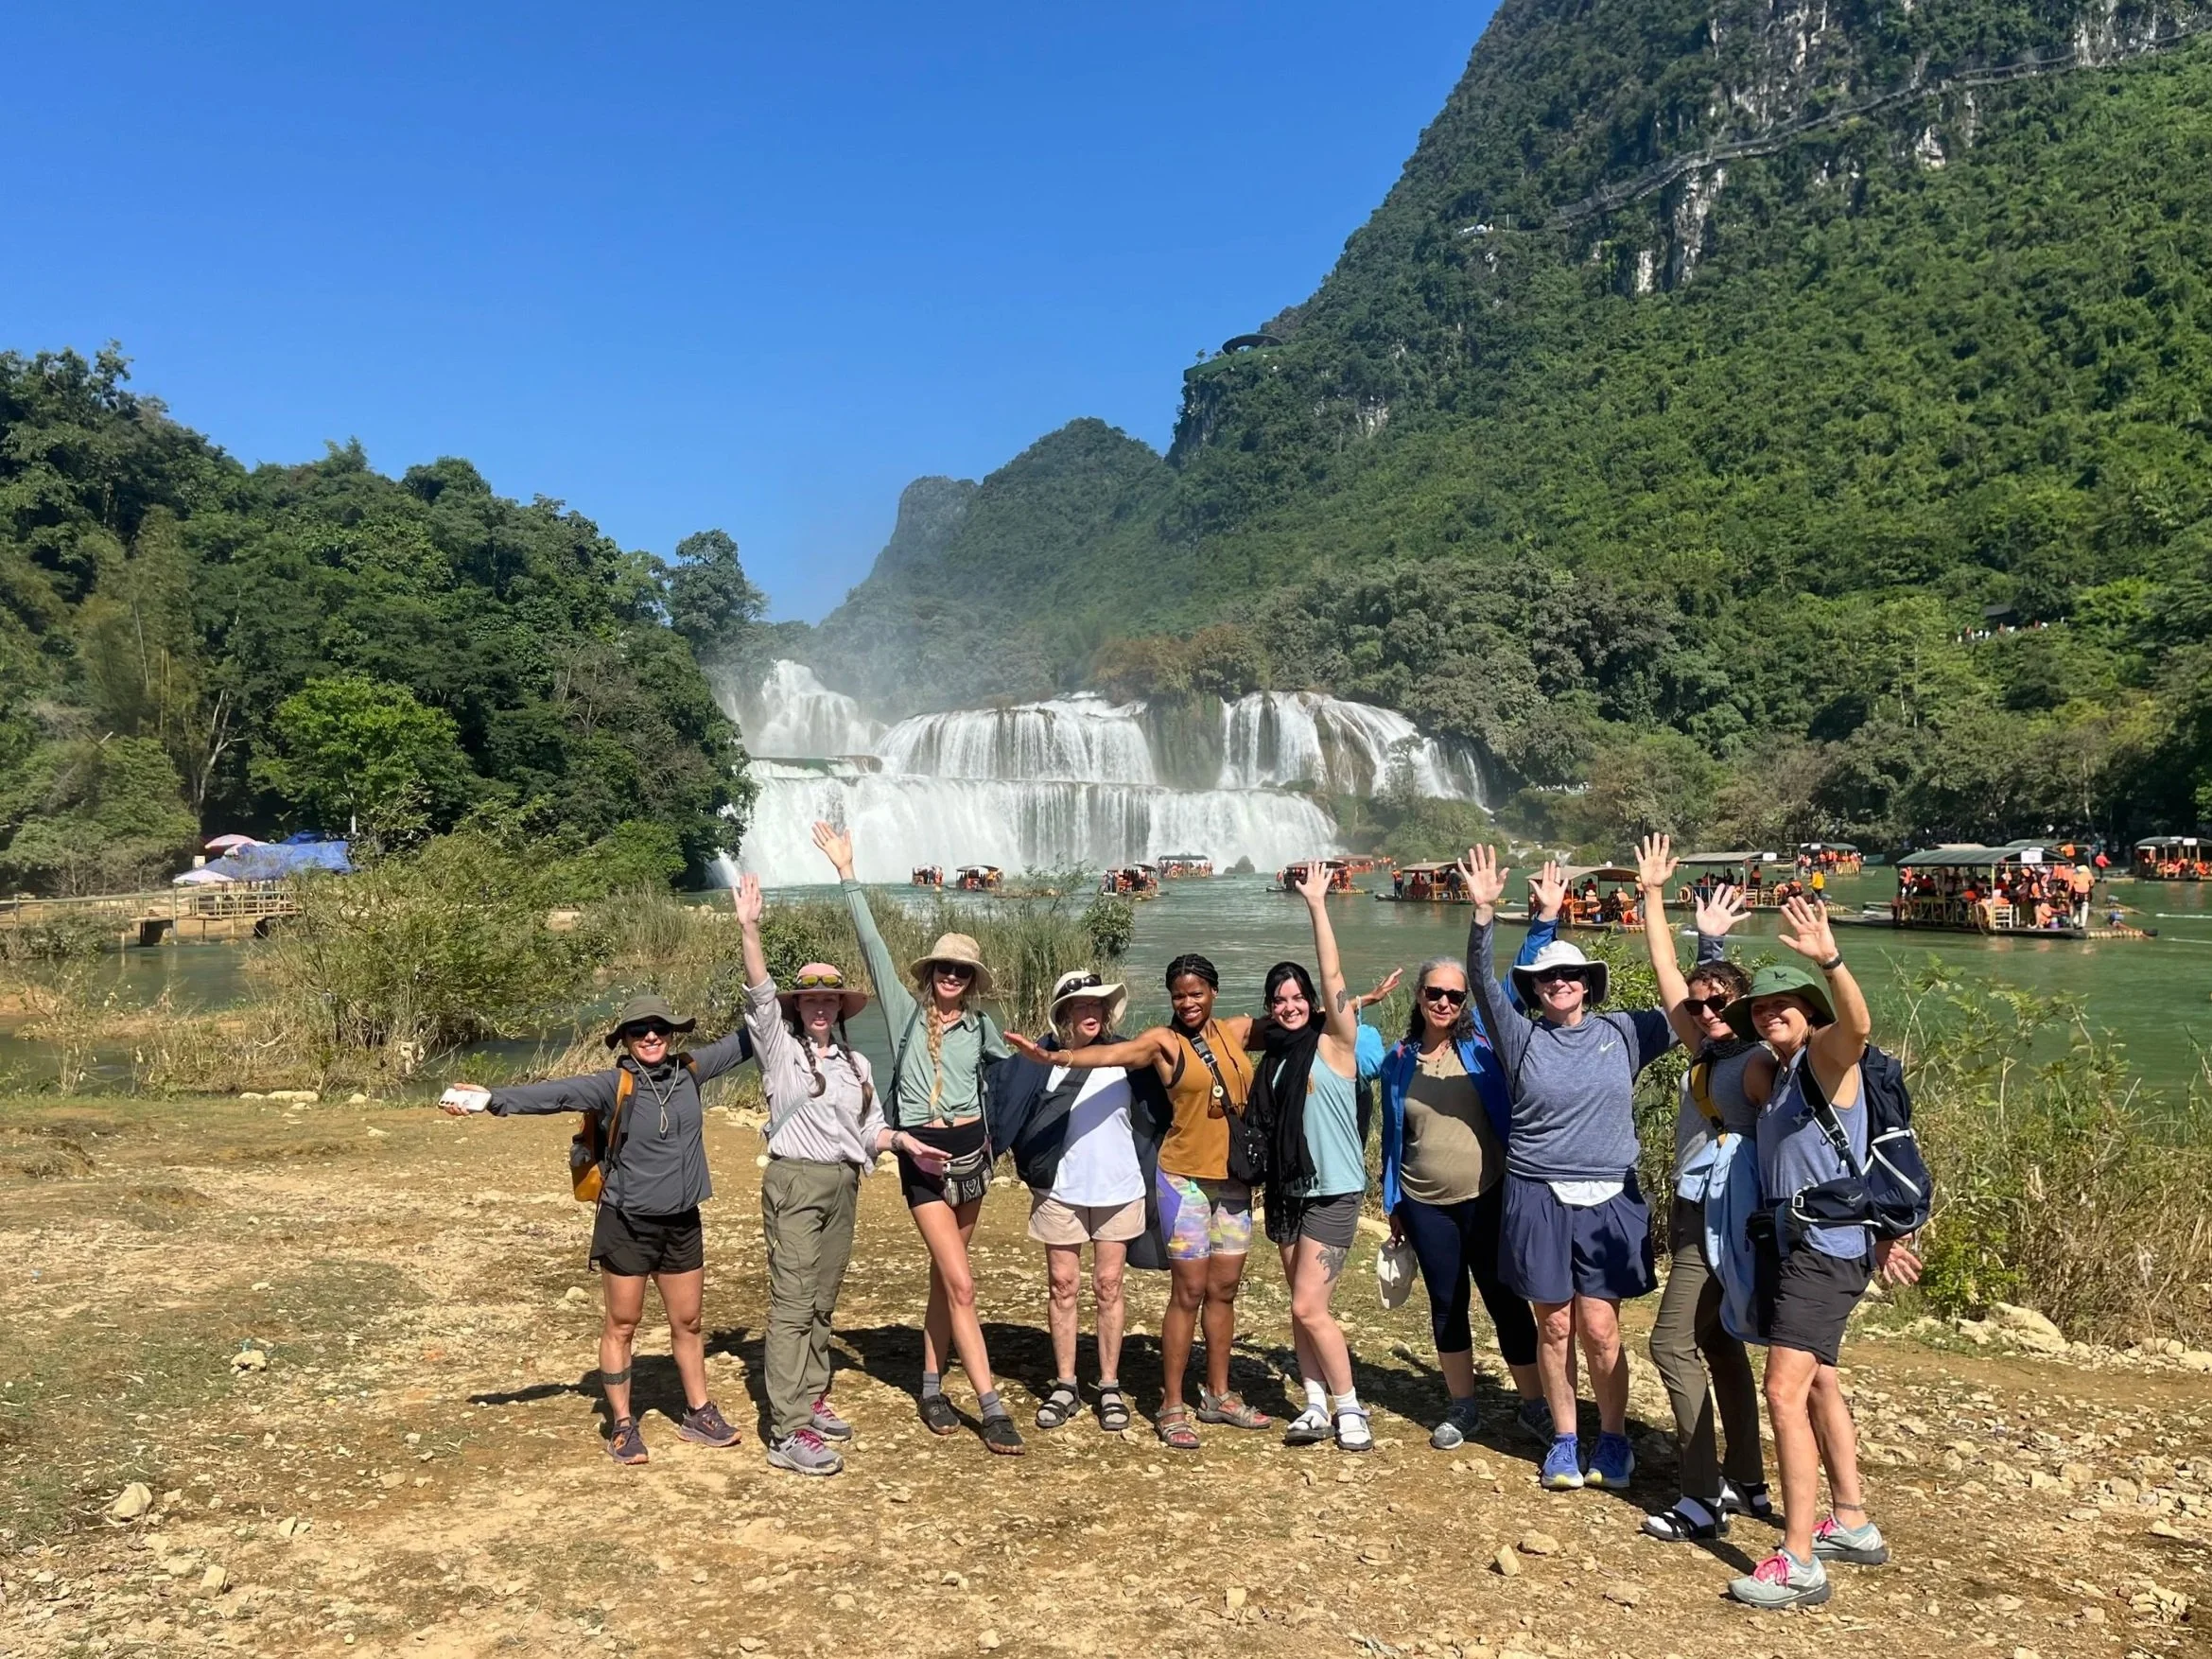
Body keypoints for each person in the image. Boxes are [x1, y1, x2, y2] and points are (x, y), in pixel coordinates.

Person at [1457, 839, 1690, 1493]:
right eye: (1547, 978)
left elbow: (1689, 1009)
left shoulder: (1624, 1033)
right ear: (1535, 990)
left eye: (1571, 975)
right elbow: (1480, 984)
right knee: (1554, 1323)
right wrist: (1483, 914)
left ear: (1588, 984)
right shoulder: (1520, 1037)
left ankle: (1612, 1438)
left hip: (1610, 1194)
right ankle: (1564, 1439)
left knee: (1600, 1326)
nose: (1560, 983)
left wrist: (1701, 936)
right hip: (1537, 1191)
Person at [441, 992, 750, 1465]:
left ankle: (699, 1412)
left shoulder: (691, 1070)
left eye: (660, 1028)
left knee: (688, 1323)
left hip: (683, 1221)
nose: (651, 1036)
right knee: (622, 1324)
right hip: (627, 1222)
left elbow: (752, 1038)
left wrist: (794, 1006)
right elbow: (556, 1094)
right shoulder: (613, 1085)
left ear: (673, 1033)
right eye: (639, 1030)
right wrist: (490, 1100)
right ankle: (623, 1424)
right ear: (625, 1039)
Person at [1726, 899, 1924, 1610]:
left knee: (1782, 1392)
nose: (1768, 1015)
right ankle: (1851, 1522)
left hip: (1822, 1252)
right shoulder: (1781, 1072)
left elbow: (1859, 1026)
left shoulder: (1825, 1058)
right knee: (1818, 1385)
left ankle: (1799, 1560)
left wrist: (1830, 960)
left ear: (1810, 1012)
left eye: (1782, 1005)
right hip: (1807, 1244)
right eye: (1758, 1009)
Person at [812, 821, 1023, 1455]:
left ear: (971, 978)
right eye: (944, 968)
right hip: (924, 1160)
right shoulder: (905, 1015)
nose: (951, 976)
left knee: (944, 1279)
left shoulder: (982, 1028)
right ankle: (989, 1405)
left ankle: (930, 1386)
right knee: (963, 1283)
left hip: (973, 1157)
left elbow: (1017, 1079)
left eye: (961, 970)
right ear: (931, 973)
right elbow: (873, 945)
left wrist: (1072, 1056)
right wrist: (847, 874)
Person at [1010, 952, 1272, 1449]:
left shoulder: (1234, 1032)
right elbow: (1110, 1057)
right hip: (1175, 1182)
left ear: (1214, 992)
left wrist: (1354, 1005)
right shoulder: (1159, 1042)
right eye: (1179, 995)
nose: (1188, 1002)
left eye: (1196, 993)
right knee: (1181, 1292)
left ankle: (1214, 1393)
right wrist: (1056, 1059)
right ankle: (1163, 1403)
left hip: (1227, 1182)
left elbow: (1291, 1023)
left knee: (1218, 1290)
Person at [734, 874, 936, 1476]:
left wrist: (902, 1142)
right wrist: (749, 928)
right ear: (798, 1008)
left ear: (840, 1009)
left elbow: (869, 1131)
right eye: (811, 1001)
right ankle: (787, 1430)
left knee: (823, 1300)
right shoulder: (780, 1050)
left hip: (844, 1183)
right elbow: (760, 993)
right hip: (796, 1182)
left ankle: (812, 1394)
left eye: (830, 1001)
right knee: (793, 1303)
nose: (820, 1008)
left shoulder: (857, 1063)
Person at [1642, 883, 1773, 1540]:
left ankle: (1700, 1497)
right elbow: (1668, 971)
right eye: (1697, 1006)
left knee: (1669, 1344)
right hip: (1699, 1210)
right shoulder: (1705, 1048)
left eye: (1717, 1003)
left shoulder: (1754, 1063)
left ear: (1741, 1006)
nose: (1703, 1011)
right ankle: (1746, 1479)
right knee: (1719, 1341)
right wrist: (1653, 894)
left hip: (1721, 1219)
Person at [1377, 949, 1548, 1451]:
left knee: (1506, 1302)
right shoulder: (1398, 1061)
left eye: (1455, 995)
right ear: (1419, 996)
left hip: (1487, 1197)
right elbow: (1393, 1135)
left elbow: (1512, 989)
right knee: (1447, 1304)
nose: (1445, 1003)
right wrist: (1393, 1201)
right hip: (1423, 1203)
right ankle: (1463, 1406)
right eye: (1436, 993)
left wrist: (1542, 920)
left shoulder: (1483, 1046)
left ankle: (1535, 1406)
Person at [991, 969, 1168, 1435]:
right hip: (1060, 1191)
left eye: (1097, 1005)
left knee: (1109, 1285)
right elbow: (1007, 1109)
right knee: (1062, 1285)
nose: (1091, 1013)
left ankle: (1109, 1385)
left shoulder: (1128, 1057)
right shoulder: (1038, 1060)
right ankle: (1066, 1383)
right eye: (1081, 1006)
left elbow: (1167, 1105)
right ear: (1064, 1014)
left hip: (1119, 1188)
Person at [1251, 861, 1383, 1451]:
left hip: (1333, 1190)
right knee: (1299, 1305)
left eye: (1298, 997)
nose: (1290, 1007)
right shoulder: (1275, 1061)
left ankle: (1350, 1407)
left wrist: (1317, 905)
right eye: (1279, 1000)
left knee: (1310, 1305)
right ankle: (1312, 1405)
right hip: (1286, 1191)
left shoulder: (1335, 1042)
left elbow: (1333, 974)